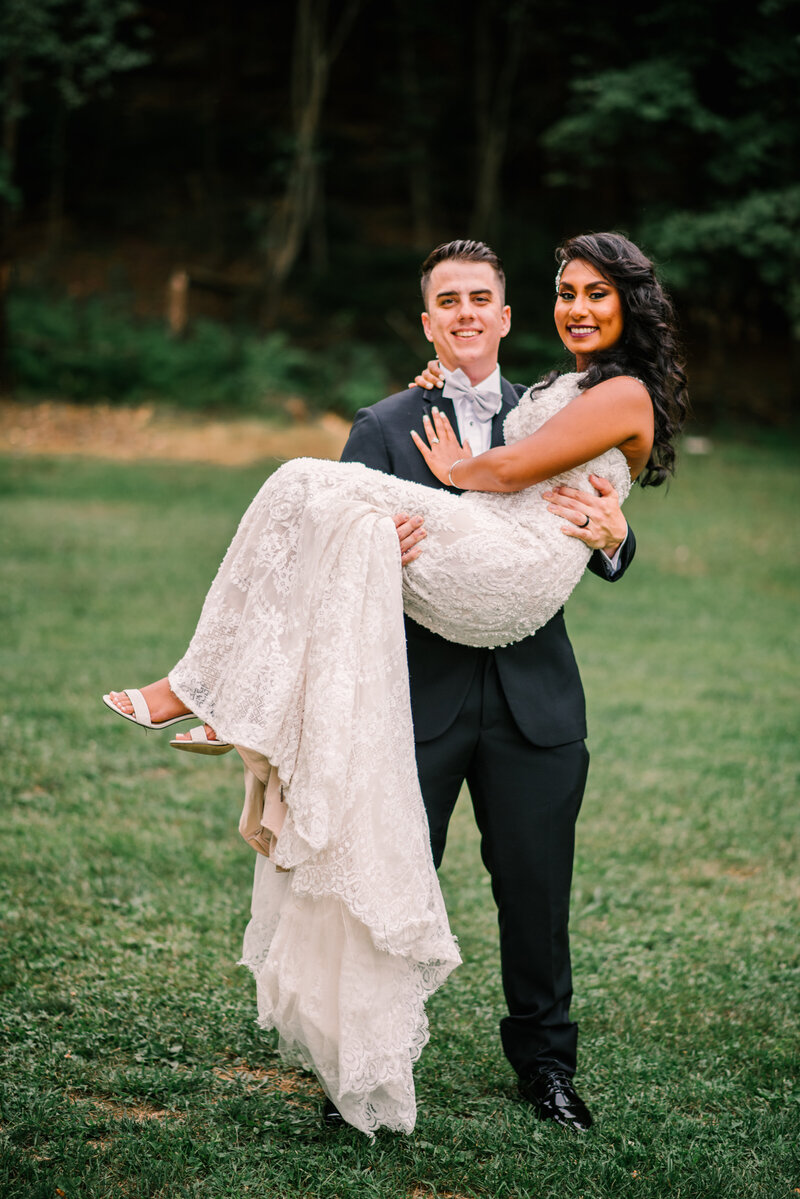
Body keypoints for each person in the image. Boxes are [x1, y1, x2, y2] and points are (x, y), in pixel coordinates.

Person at [103, 232, 687, 1136]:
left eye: (480, 299)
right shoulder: (385, 424)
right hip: (415, 697)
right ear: (429, 320)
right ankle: (361, 1072)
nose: (465, 315)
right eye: (446, 302)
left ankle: (548, 1069)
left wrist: (615, 537)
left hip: (535, 699)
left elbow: (585, 514)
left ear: (503, 313)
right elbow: (336, 566)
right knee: (373, 884)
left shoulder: (560, 401)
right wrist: (380, 552)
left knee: (539, 896)